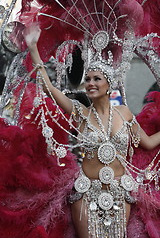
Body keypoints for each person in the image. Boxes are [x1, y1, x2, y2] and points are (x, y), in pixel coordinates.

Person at [23, 23, 160, 238]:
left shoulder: (124, 114)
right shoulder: (80, 113)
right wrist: (33, 48)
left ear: (109, 84)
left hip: (120, 193)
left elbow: (149, 143)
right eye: (87, 79)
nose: (90, 83)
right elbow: (49, 87)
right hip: (86, 193)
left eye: (97, 79)